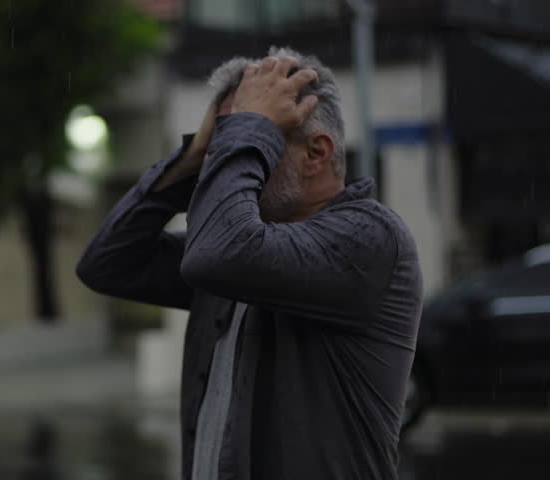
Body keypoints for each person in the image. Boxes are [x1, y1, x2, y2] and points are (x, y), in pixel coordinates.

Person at [77, 46, 423, 480]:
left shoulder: (368, 239)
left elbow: (223, 253)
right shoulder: (234, 250)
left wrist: (244, 131)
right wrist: (190, 158)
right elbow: (108, 262)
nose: (224, 159)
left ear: (316, 153)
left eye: (254, 138)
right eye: (221, 144)